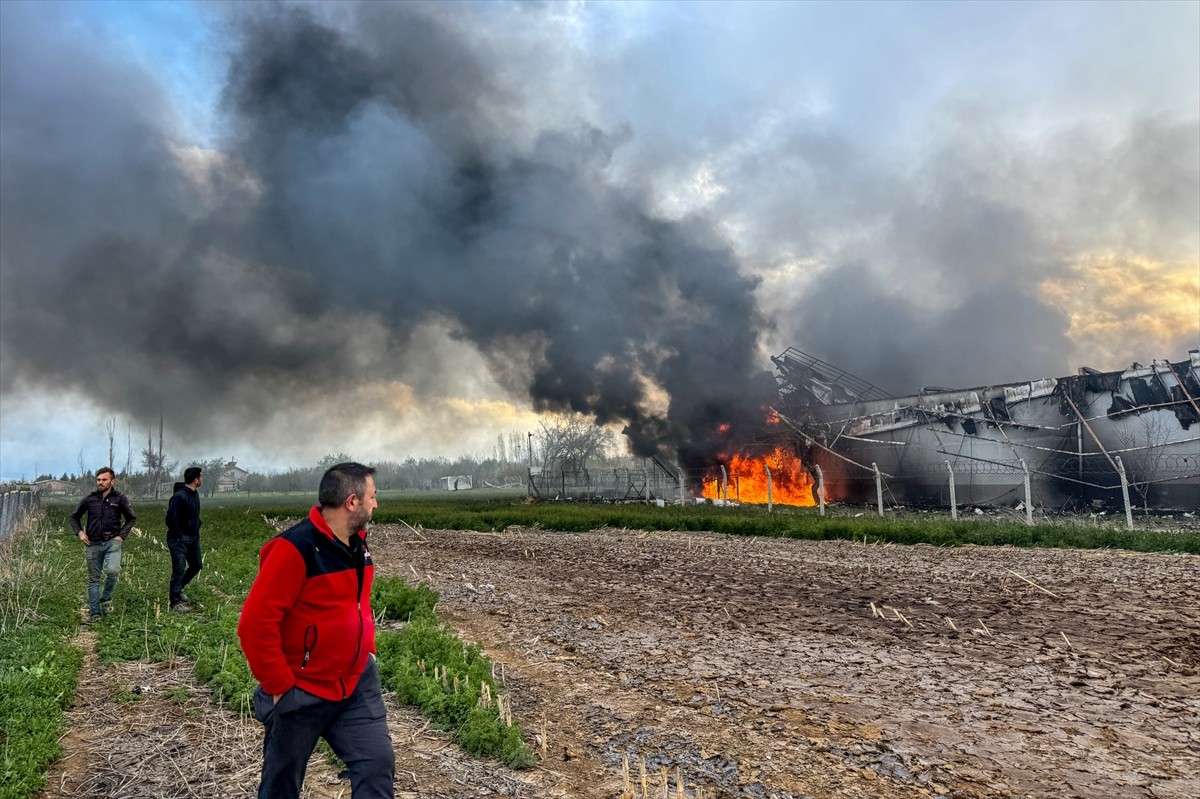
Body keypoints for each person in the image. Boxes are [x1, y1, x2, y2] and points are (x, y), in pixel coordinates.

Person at [237, 462, 394, 799]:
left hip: (355, 683)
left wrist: (366, 648)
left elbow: (357, 604)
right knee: (281, 784)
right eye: (372, 496)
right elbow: (254, 624)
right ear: (352, 502)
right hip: (302, 689)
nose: (375, 504)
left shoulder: (357, 545)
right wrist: (279, 685)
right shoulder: (294, 549)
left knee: (377, 766)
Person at [69, 467, 136, 621]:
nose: (100, 482)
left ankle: (106, 597)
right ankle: (95, 613)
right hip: (92, 544)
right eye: (98, 480)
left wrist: (121, 536)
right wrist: (80, 532)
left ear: (112, 481)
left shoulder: (120, 499)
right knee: (94, 579)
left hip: (112, 542)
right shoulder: (89, 499)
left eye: (104, 479)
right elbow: (74, 517)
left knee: (113, 571)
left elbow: (131, 518)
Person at [165, 466, 204, 612]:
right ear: (196, 480)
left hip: (193, 537)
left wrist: (196, 526)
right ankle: (175, 603)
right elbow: (170, 518)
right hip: (178, 539)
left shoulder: (195, 494)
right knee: (179, 569)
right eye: (201, 477)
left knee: (196, 565)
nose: (202, 479)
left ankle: (178, 588)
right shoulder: (179, 496)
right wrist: (180, 535)